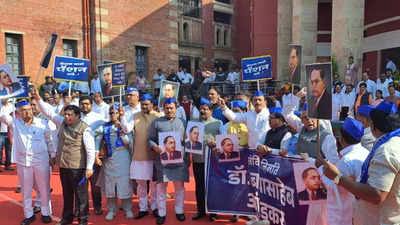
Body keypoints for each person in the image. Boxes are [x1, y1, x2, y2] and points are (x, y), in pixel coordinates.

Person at [322, 101, 400, 225]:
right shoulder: (391, 144)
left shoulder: (387, 150)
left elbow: (376, 195)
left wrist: (337, 177)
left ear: (372, 126)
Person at [33, 90, 95, 225]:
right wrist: (38, 99)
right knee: (67, 194)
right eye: (65, 114)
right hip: (64, 166)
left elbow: (90, 150)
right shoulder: (61, 123)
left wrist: (89, 167)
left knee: (81, 195)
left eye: (70, 115)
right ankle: (67, 217)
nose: (66, 117)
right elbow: (49, 113)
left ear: (78, 116)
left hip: (78, 167)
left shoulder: (85, 129)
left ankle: (82, 219)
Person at [0, 99, 55, 225]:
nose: (27, 113)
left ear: (32, 109)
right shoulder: (15, 123)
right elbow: (2, 116)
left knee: (44, 188)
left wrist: (52, 155)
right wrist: (7, 103)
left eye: (29, 109)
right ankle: (29, 214)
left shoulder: (42, 123)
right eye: (23, 111)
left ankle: (46, 212)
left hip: (41, 160)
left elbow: (49, 140)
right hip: (23, 162)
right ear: (18, 112)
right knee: (26, 189)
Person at [148, 98, 189, 224]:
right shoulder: (157, 122)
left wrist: (188, 154)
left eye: (172, 108)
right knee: (161, 188)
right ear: (163, 109)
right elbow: (150, 139)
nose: (169, 110)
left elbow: (187, 141)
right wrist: (154, 146)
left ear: (176, 108)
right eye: (167, 108)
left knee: (179, 188)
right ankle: (161, 213)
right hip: (162, 161)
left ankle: (179, 211)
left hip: (179, 161)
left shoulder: (183, 122)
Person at [323, 118, 369, 225]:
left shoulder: (347, 160)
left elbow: (333, 186)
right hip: (358, 212)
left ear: (341, 139)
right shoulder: (366, 152)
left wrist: (321, 168)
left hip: (343, 215)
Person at [122, 93, 160, 219]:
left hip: (155, 156)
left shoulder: (159, 117)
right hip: (139, 156)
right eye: (142, 104)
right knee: (141, 184)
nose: (144, 107)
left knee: (155, 184)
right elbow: (127, 129)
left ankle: (154, 207)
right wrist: (122, 117)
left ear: (152, 105)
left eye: (146, 104)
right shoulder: (135, 116)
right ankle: (143, 208)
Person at [95, 103, 133, 220]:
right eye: (111, 112)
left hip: (123, 157)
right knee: (110, 184)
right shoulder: (104, 127)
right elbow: (97, 141)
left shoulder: (125, 126)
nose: (113, 115)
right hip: (109, 159)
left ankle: (127, 208)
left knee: (125, 183)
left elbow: (128, 142)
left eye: (116, 112)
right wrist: (96, 156)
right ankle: (111, 209)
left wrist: (121, 129)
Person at [190, 98, 222, 221]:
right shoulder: (193, 123)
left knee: (212, 186)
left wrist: (216, 143)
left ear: (211, 110)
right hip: (198, 159)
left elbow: (223, 140)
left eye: (206, 109)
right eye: (201, 108)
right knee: (199, 186)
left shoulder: (218, 123)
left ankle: (213, 211)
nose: (203, 111)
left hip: (212, 161)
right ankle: (201, 210)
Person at [0, 98, 14, 171]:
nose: (4, 99)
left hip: (9, 131)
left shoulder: (11, 106)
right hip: (0, 131)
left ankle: (8, 165)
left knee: (9, 150)